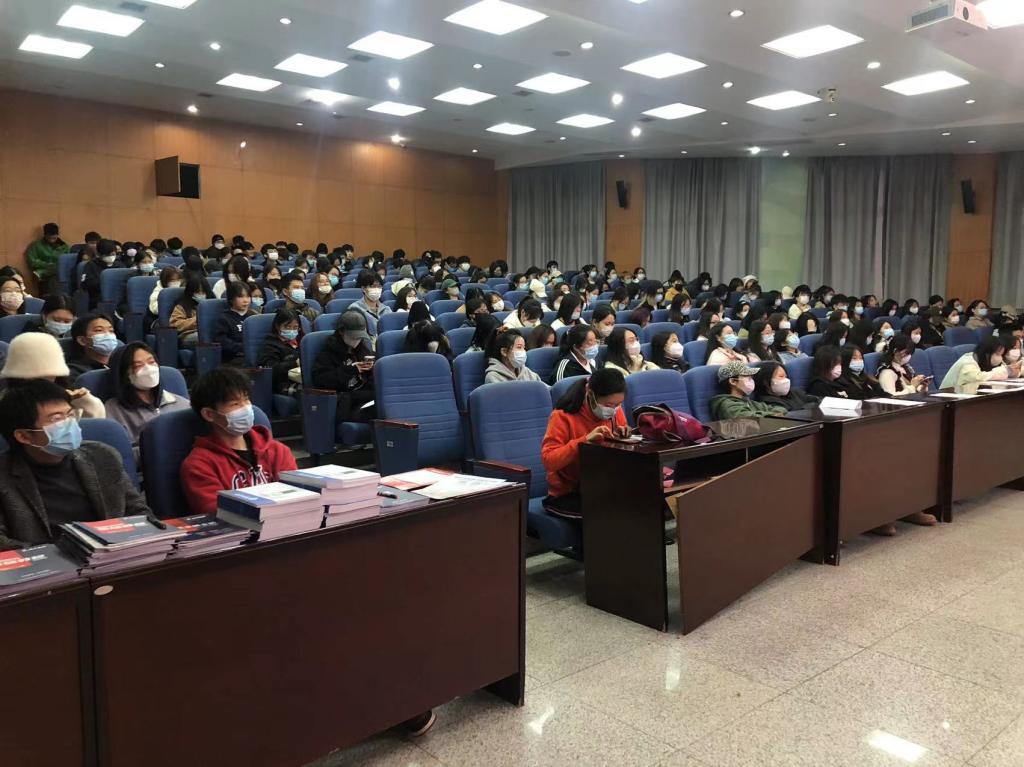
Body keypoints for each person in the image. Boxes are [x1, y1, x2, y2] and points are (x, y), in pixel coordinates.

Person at [0, 380, 151, 549]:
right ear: (24, 436)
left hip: (114, 553)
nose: (69, 424)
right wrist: (62, 553)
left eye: (70, 415)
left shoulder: (102, 456)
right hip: (49, 561)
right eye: (57, 419)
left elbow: (139, 512)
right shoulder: (4, 476)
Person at [180, 367, 298, 515]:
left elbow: (298, 497)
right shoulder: (199, 465)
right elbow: (218, 511)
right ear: (209, 414)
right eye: (235, 404)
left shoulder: (278, 451)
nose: (246, 408)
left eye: (246, 399)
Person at [541, 368, 629, 519]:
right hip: (567, 494)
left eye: (618, 405)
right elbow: (549, 460)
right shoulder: (562, 416)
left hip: (602, 487)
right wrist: (585, 441)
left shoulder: (615, 411)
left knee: (641, 503)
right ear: (590, 394)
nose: (613, 410)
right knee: (609, 516)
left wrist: (625, 435)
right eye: (609, 405)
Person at [103, 342, 190, 451]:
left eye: (151, 362)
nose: (148, 369)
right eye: (138, 366)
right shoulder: (114, 409)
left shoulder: (181, 403)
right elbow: (121, 453)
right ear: (124, 374)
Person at [1, 332, 105, 418]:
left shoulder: (71, 399)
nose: (42, 380)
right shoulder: (7, 401)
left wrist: (89, 407)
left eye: (48, 374)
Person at [311, 311, 377, 421]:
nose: (357, 340)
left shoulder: (363, 349)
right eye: (354, 336)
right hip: (345, 401)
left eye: (360, 337)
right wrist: (352, 370)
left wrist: (371, 370)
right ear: (341, 332)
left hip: (363, 396)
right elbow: (321, 380)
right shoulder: (328, 353)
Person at [710, 361, 788, 420]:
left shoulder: (750, 402)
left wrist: (773, 414)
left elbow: (780, 409)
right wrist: (772, 415)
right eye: (747, 377)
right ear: (733, 381)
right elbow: (747, 418)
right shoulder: (727, 405)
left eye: (751, 377)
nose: (751, 381)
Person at [939, 336, 1013, 393]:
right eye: (997, 354)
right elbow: (978, 377)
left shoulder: (985, 360)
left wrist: (1013, 370)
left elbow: (1004, 369)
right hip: (951, 397)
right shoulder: (967, 362)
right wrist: (1007, 371)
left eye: (1001, 354)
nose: (1000, 357)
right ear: (987, 353)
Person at [257, 309, 302, 396]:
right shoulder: (270, 345)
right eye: (287, 327)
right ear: (277, 326)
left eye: (295, 327)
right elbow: (271, 370)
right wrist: (295, 363)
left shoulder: (301, 342)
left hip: (301, 378)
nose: (292, 330)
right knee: (310, 393)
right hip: (283, 383)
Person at [214, 282, 257, 365]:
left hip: (254, 354)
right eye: (240, 297)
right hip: (234, 357)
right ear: (231, 299)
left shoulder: (254, 316)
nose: (245, 300)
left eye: (248, 296)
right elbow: (222, 341)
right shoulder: (224, 318)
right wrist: (244, 348)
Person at [66, 313, 118, 379]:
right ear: (82, 340)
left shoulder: (120, 364)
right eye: (99, 330)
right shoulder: (74, 371)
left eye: (111, 331)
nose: (108, 335)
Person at [754, 362, 820, 413]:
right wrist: (814, 405)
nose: (786, 380)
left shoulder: (794, 392)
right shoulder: (768, 403)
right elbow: (794, 414)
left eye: (786, 377)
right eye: (781, 376)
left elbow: (815, 399)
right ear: (765, 382)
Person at [25, 223, 70, 295]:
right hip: (46, 279)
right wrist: (47, 265)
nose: (52, 240)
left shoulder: (64, 247)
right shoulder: (36, 245)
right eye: (49, 238)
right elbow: (32, 261)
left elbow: (67, 262)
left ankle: (41, 272)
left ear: (57, 235)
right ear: (45, 235)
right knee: (53, 279)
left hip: (59, 275)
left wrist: (44, 270)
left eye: (54, 238)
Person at [170, 272, 211, 348]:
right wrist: (197, 320)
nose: (201, 294)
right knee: (203, 337)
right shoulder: (182, 306)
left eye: (203, 292)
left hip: (208, 331)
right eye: (197, 292)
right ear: (190, 292)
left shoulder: (211, 304)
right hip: (188, 335)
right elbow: (175, 325)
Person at [349, 270, 390, 335]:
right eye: (373, 286)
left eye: (379, 286)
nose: (376, 289)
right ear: (363, 289)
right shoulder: (354, 309)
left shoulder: (387, 309)